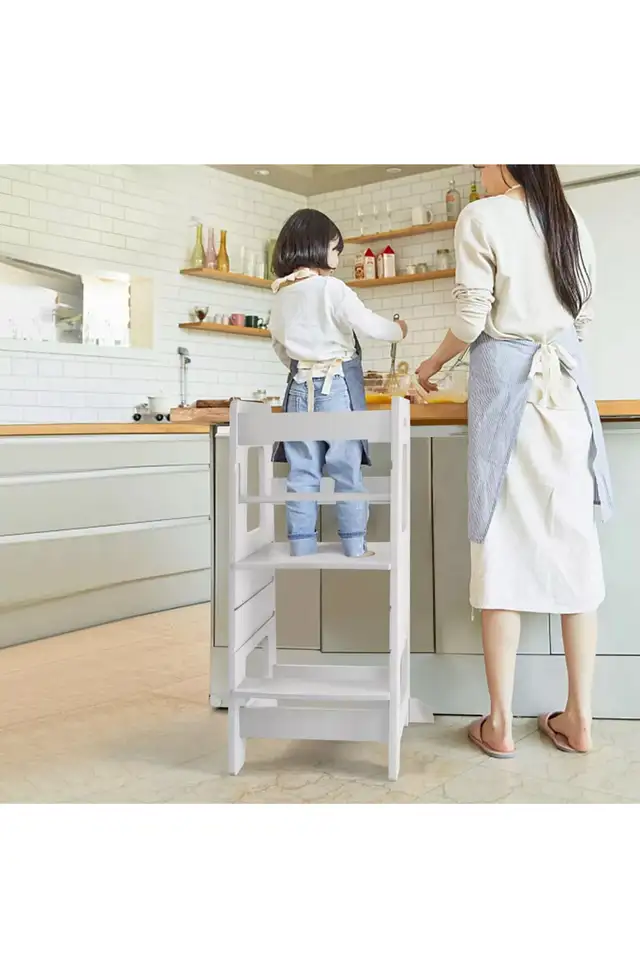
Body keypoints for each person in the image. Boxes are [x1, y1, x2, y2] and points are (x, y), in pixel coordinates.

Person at [416, 165, 612, 757]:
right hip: (567, 401)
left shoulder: (482, 215)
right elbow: (583, 318)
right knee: (576, 554)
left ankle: (499, 724)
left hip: (511, 404)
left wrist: (429, 368)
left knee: (500, 550)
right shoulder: (570, 220)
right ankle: (580, 719)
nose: (478, 169)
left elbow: (472, 320)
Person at [269, 208, 406, 558]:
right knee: (346, 469)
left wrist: (303, 366)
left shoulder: (282, 294)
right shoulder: (332, 288)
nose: (338, 256)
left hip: (299, 387)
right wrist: (399, 331)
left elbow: (280, 347)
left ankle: (300, 546)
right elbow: (371, 326)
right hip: (336, 388)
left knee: (301, 473)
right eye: (335, 248)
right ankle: (354, 545)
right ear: (316, 246)